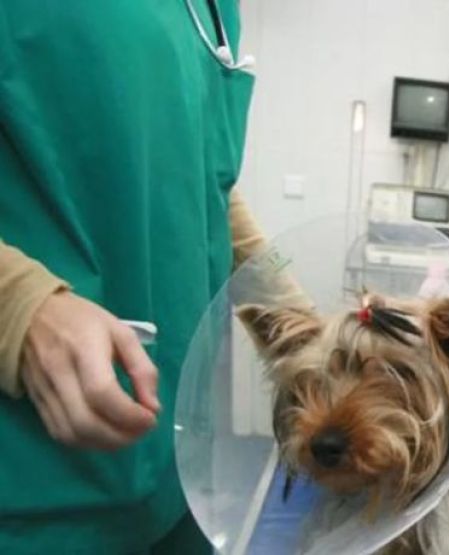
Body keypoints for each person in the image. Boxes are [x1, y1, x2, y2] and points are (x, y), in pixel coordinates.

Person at [0, 2, 276, 552]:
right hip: (33, 491)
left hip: (181, 480)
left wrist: (294, 305)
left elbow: (196, 176)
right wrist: (16, 302)